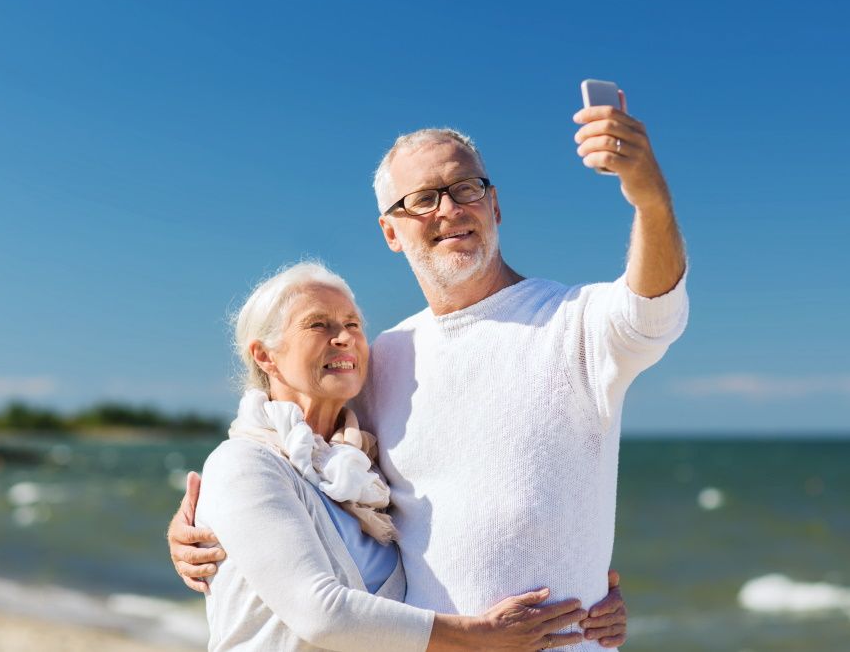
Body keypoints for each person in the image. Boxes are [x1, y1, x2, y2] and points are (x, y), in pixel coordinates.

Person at [171, 94, 686, 650]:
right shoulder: (384, 357)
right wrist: (202, 529)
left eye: (466, 188)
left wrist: (649, 199)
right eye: (421, 200)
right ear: (391, 232)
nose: (449, 209)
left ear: (495, 205)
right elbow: (297, 456)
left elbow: (651, 307)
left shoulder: (575, 322)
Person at [197, 261, 602, 651]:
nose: (344, 337)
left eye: (353, 324)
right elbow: (321, 614)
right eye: (319, 324)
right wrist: (484, 637)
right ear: (265, 355)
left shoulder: (363, 470)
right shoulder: (244, 464)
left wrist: (589, 592)